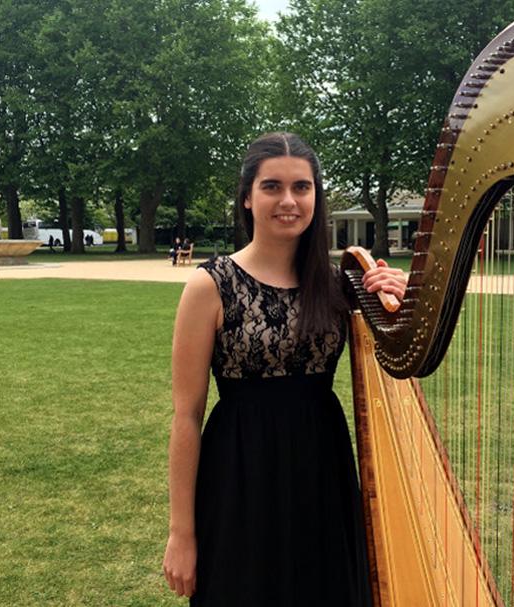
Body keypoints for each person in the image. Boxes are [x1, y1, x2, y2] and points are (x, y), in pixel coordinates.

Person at [162, 131, 406, 606]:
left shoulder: (340, 286)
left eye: (302, 187)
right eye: (272, 186)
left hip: (323, 472)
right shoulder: (209, 286)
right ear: (248, 198)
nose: (288, 200)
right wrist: (181, 533)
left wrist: (396, 295)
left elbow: (404, 359)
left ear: (316, 195)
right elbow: (186, 416)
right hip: (240, 475)